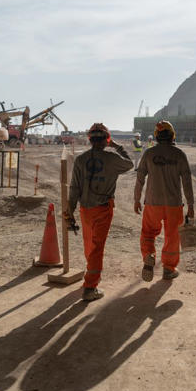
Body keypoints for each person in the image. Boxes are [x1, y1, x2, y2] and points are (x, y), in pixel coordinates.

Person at [66, 123, 134, 301]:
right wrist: (117, 147)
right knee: (97, 247)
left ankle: (90, 276)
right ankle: (90, 287)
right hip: (103, 209)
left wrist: (69, 212)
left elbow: (74, 188)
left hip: (85, 210)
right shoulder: (112, 159)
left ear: (90, 139)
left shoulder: (80, 160)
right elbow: (130, 164)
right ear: (106, 140)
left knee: (90, 245)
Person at [134, 120, 194, 281]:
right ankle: (168, 269)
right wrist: (191, 205)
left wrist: (136, 199)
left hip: (152, 203)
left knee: (148, 233)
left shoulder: (149, 153)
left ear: (156, 136)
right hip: (174, 205)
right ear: (172, 135)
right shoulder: (180, 154)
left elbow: (140, 178)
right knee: (173, 236)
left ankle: (149, 255)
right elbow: (187, 181)